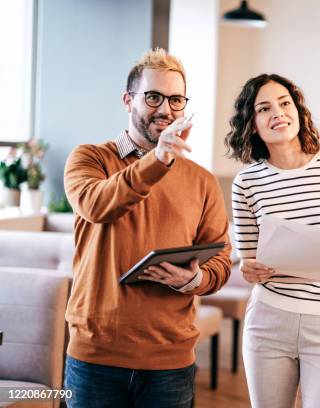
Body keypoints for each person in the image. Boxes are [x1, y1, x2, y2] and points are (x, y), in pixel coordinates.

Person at [62, 48, 232, 407]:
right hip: (95, 356)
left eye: (175, 99)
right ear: (128, 100)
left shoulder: (202, 181)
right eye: (153, 96)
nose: (166, 109)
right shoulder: (89, 158)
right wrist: (158, 160)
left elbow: (219, 258)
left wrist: (194, 280)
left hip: (170, 361)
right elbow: (97, 204)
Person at [225, 73, 320, 408]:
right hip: (269, 321)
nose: (277, 112)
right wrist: (251, 271)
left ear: (298, 111)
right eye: (264, 108)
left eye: (284, 103)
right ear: (252, 125)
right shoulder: (246, 183)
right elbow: (247, 263)